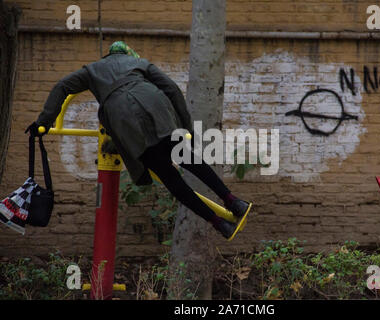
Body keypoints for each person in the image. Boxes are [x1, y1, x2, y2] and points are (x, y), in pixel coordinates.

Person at [26, 41, 251, 240]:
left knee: (169, 177)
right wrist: (186, 128)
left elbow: (61, 87)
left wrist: (43, 122)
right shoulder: (139, 62)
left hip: (125, 121)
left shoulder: (91, 71)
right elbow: (171, 88)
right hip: (156, 107)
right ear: (127, 54)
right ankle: (232, 200)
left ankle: (218, 223)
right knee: (188, 158)